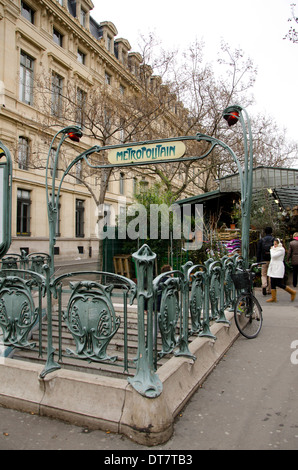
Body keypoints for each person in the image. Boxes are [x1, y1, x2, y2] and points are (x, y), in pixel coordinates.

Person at [266, 238, 296, 302]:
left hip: (278, 267)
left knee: (278, 283)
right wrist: (273, 249)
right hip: (273, 266)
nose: (274, 245)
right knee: (272, 282)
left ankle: (292, 292)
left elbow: (273, 256)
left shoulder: (281, 249)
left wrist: (271, 249)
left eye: (276, 244)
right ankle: (273, 298)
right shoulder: (275, 249)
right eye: (274, 244)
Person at [257, 227, 274, 295]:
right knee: (270, 274)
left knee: (263, 274)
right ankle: (269, 289)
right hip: (271, 259)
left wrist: (258, 261)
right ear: (271, 232)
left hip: (263, 259)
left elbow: (259, 251)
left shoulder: (261, 240)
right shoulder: (274, 240)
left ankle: (264, 285)